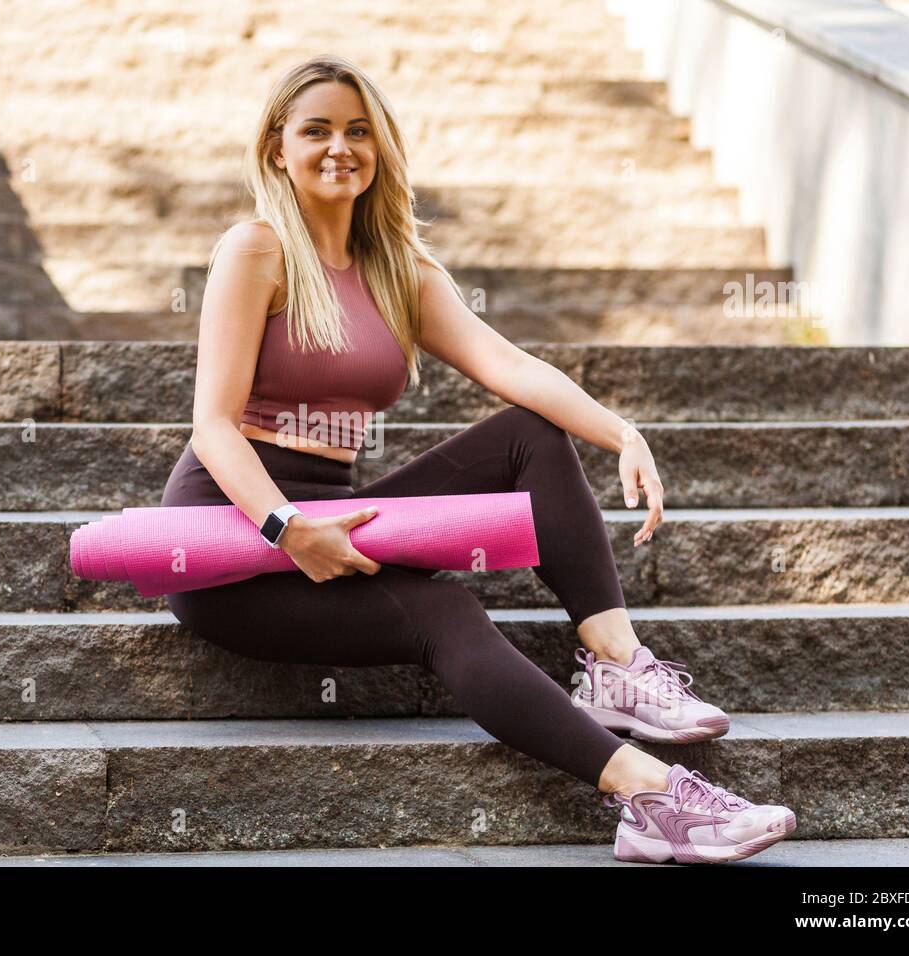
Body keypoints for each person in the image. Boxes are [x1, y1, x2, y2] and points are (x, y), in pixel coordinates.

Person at [160, 55, 796, 865]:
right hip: (231, 542)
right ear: (277, 148)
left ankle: (617, 666)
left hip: (335, 520)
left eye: (359, 130)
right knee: (446, 611)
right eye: (315, 130)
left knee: (529, 431)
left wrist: (622, 431)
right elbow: (213, 426)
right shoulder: (255, 251)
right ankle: (654, 796)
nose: (339, 147)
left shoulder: (401, 270)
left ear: (382, 148)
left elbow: (516, 369)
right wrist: (287, 529)